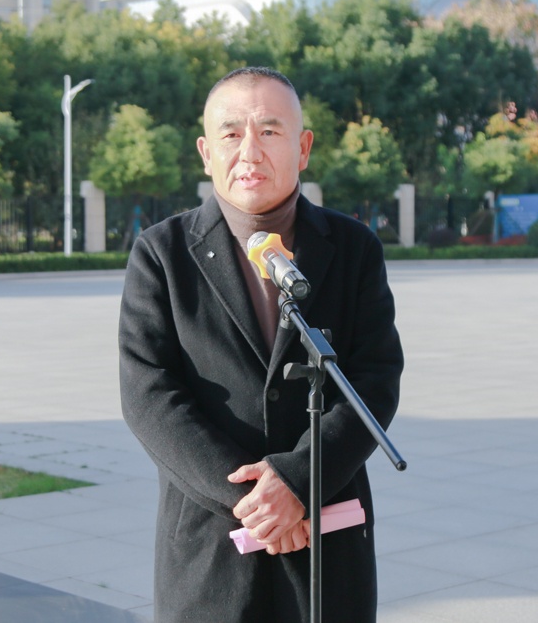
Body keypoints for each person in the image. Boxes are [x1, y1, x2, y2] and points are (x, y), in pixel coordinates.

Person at [118, 66, 404, 622]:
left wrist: (299, 481)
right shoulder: (161, 254)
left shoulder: (354, 248)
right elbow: (148, 396)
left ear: (304, 148)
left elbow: (375, 380)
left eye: (270, 131)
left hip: (325, 538)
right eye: (231, 133)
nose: (249, 150)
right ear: (206, 153)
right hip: (211, 546)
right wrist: (256, 503)